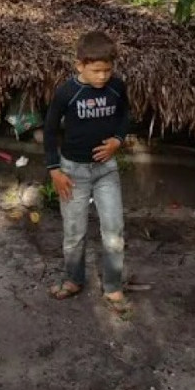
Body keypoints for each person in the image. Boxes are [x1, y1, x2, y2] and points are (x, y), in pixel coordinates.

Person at [45, 31, 132, 313]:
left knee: (114, 231)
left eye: (108, 70)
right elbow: (49, 130)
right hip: (72, 173)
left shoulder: (117, 87)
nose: (103, 76)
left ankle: (114, 287)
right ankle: (73, 279)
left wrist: (118, 141)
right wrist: (54, 170)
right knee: (74, 233)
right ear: (80, 65)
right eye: (97, 70)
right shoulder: (67, 93)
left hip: (106, 171)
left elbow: (125, 115)